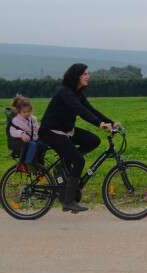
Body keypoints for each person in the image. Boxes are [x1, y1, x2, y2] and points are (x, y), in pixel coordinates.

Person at [39, 63, 119, 213]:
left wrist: (111, 122)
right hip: (51, 132)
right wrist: (100, 124)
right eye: (85, 74)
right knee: (78, 160)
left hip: (66, 130)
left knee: (93, 140)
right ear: (76, 76)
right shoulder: (65, 92)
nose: (88, 76)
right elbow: (81, 111)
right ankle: (68, 201)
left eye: (88, 73)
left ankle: (64, 164)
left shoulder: (77, 93)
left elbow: (90, 109)